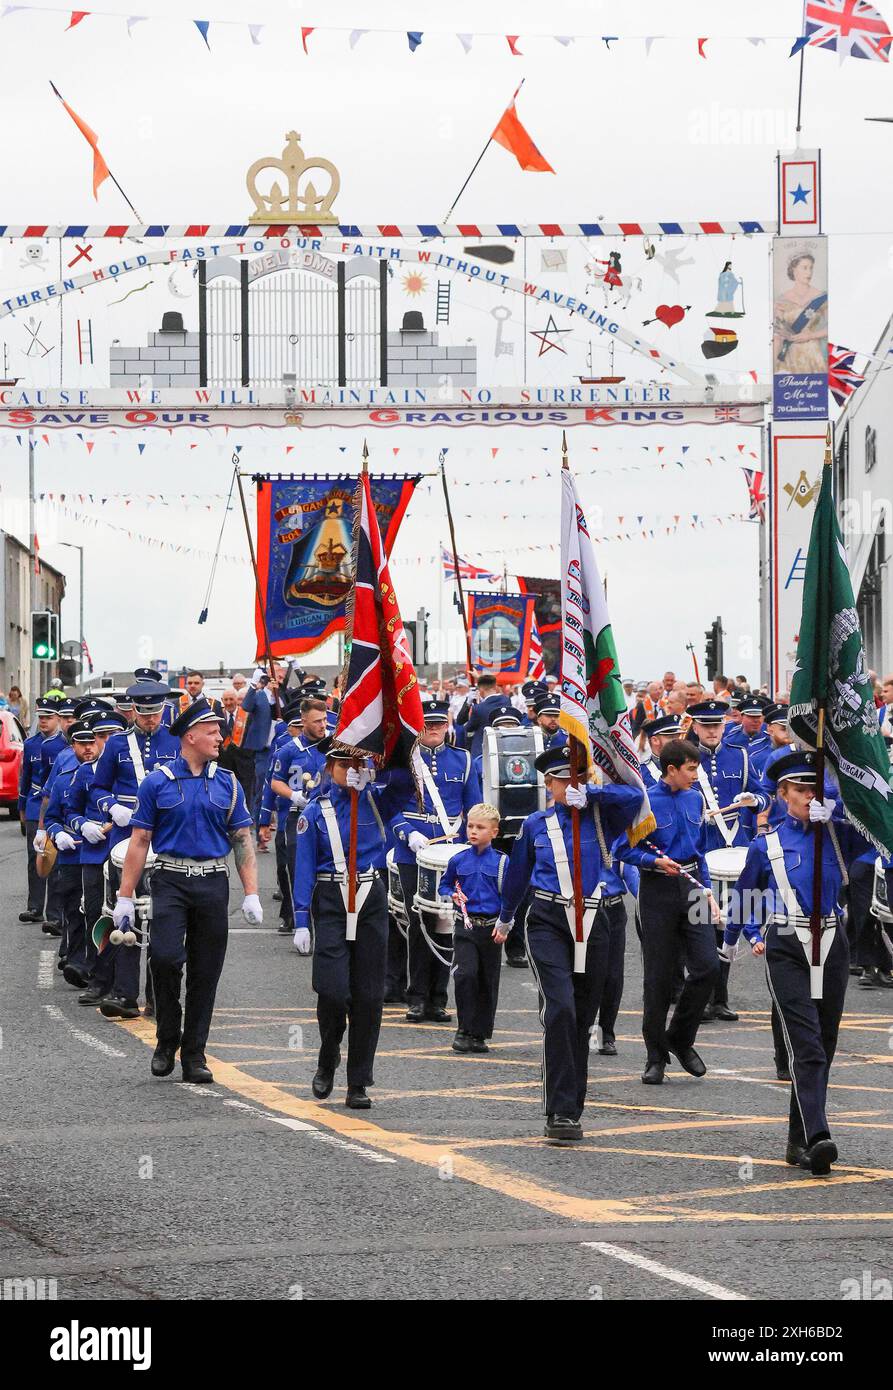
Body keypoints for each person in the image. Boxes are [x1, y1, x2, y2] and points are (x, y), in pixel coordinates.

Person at [724, 752, 869, 1176]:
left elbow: (884, 829)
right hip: (786, 942)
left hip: (832, 941)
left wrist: (839, 810)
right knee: (805, 1044)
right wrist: (735, 941)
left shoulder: (840, 836)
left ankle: (796, 1139)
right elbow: (746, 897)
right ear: (783, 794)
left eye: (814, 788)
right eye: (801, 789)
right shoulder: (765, 845)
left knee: (824, 1043)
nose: (810, 796)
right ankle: (819, 1136)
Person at [497, 744, 643, 1142]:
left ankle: (572, 1107)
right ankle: (559, 1110)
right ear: (549, 784)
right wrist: (506, 917)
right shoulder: (536, 824)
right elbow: (517, 873)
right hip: (548, 919)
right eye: (565, 778)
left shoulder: (603, 817)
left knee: (581, 1016)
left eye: (579, 775)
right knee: (559, 1008)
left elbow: (636, 795)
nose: (572, 783)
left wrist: (594, 793)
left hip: (594, 920)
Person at [115, 698, 260, 1084]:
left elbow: (242, 838)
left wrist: (251, 893)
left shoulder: (227, 782)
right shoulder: (158, 782)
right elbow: (141, 839)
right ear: (191, 736)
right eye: (212, 733)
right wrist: (124, 897)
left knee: (205, 971)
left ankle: (194, 1053)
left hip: (213, 882)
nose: (220, 738)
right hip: (170, 880)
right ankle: (167, 1039)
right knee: (163, 959)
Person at [291, 739, 405, 1108]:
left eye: (358, 765)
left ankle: (359, 1082)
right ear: (330, 767)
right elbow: (304, 868)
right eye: (345, 765)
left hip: (370, 896)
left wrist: (377, 771)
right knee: (334, 990)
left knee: (369, 996)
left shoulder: (375, 799)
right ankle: (328, 1057)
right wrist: (300, 920)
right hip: (331, 899)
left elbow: (405, 781)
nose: (351, 771)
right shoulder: (315, 811)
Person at [613, 739, 721, 1087]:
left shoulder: (695, 798)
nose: (696, 774)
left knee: (707, 966)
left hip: (691, 885)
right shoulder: (645, 802)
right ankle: (655, 1056)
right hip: (657, 888)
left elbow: (699, 850)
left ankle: (680, 1037)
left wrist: (705, 889)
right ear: (671, 769)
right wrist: (653, 860)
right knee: (658, 978)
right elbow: (621, 850)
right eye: (691, 769)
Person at [92, 680, 179, 1019]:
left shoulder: (175, 738)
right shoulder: (115, 744)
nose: (150, 720)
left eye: (155, 713)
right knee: (123, 913)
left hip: (164, 833)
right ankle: (125, 994)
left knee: (163, 915)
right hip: (126, 835)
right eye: (143, 714)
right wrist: (112, 808)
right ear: (134, 712)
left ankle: (158, 995)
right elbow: (98, 787)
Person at [390, 699, 481, 1024]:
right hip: (412, 850)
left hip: (450, 852)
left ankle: (438, 999)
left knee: (446, 922)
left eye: (439, 724)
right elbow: (390, 806)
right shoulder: (404, 760)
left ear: (448, 725)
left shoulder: (463, 760)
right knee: (418, 922)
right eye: (428, 724)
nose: (433, 729)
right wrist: (407, 833)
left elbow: (475, 808)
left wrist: (473, 847)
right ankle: (416, 996)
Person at [67, 705, 129, 1006]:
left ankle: (136, 987)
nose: (104, 741)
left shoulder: (130, 769)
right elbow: (70, 811)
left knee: (135, 917)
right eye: (100, 735)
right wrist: (83, 826)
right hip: (93, 853)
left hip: (127, 850)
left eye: (111, 734)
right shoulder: (84, 772)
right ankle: (99, 979)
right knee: (96, 916)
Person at [438, 803, 509, 1054]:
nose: (473, 831)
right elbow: (444, 886)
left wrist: (505, 926)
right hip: (466, 926)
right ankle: (464, 1029)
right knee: (465, 975)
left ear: (494, 832)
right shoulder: (458, 860)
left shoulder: (502, 863)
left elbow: (510, 897)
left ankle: (480, 1034)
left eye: (480, 827)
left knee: (487, 981)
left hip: (491, 929)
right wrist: (451, 896)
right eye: (470, 826)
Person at [45, 719, 102, 986]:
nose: (88, 748)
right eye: (82, 743)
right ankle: (77, 963)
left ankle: (93, 964)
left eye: (92, 742)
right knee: (73, 910)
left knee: (96, 911)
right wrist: (58, 834)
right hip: (71, 854)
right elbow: (52, 817)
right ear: (73, 746)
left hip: (99, 853)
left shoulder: (106, 778)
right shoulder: (64, 779)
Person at [267, 697, 328, 938]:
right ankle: (300, 920)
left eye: (324, 719)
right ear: (303, 722)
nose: (323, 725)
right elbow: (274, 781)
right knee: (296, 867)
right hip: (298, 815)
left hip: (328, 815)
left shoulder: (334, 744)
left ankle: (325, 921)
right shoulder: (289, 749)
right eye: (317, 721)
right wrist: (293, 795)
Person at [18, 695, 67, 931]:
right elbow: (25, 778)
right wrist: (22, 808)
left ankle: (55, 914)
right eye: (41, 717)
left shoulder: (66, 744)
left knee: (55, 860)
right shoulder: (30, 744)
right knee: (34, 856)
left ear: (58, 719)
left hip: (57, 804)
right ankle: (35, 907)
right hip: (35, 803)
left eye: (49, 717)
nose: (44, 721)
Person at [592, 854, 639, 1057]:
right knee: (586, 974)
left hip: (613, 908)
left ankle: (606, 1035)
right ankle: (578, 1030)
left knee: (613, 976)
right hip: (585, 908)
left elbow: (632, 875)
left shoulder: (617, 836)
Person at [638, 713, 687, 786]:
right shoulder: (642, 772)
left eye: (677, 736)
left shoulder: (687, 764)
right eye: (671, 737)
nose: (677, 741)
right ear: (655, 740)